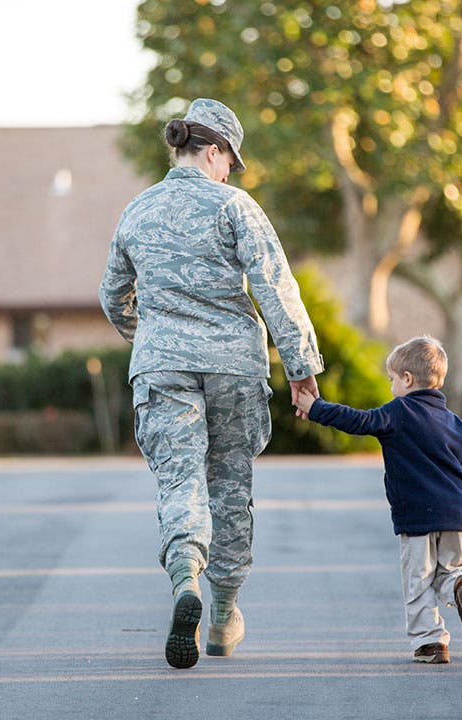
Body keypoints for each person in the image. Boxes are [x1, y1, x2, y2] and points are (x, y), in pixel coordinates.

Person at [100, 98, 325, 669]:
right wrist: (301, 369)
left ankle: (186, 585)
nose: (230, 173)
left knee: (180, 482)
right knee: (229, 484)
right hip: (233, 368)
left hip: (162, 367)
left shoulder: (137, 211)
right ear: (215, 151)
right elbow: (276, 286)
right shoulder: (236, 206)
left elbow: (112, 296)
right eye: (230, 161)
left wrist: (149, 339)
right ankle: (224, 614)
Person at [293, 335, 462, 664]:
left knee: (418, 580)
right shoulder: (453, 423)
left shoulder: (397, 413)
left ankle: (430, 643)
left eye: (392, 379)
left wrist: (315, 408)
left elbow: (357, 421)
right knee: (451, 570)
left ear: (407, 379)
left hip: (417, 517)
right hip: (456, 517)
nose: (391, 387)